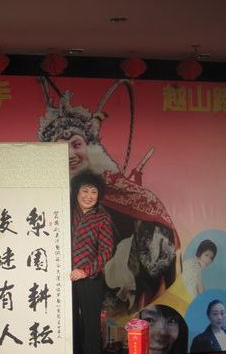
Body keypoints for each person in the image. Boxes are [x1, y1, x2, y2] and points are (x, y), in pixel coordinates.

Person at [38, 80, 180, 318]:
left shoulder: (115, 192)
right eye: (61, 147)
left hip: (100, 280)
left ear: (88, 147)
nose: (70, 154)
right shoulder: (45, 196)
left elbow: (112, 247)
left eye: (76, 144)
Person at [70, 169, 114, 354]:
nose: (89, 196)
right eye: (85, 191)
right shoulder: (66, 213)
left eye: (93, 192)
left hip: (90, 278)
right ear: (76, 192)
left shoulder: (102, 218)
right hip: (64, 279)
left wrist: (85, 271)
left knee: (90, 328)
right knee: (70, 326)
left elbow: (107, 251)